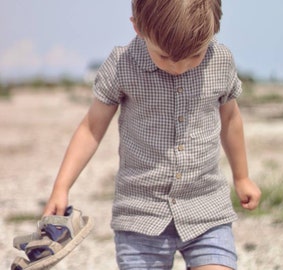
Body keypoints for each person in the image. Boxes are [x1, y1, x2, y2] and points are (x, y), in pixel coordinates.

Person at [43, 0, 261, 269]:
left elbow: (230, 119)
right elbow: (91, 128)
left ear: (215, 30)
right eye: (165, 57)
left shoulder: (221, 61)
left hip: (206, 207)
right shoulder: (122, 64)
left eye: (195, 56)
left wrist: (242, 177)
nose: (180, 67)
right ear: (137, 27)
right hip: (140, 214)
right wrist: (61, 187)